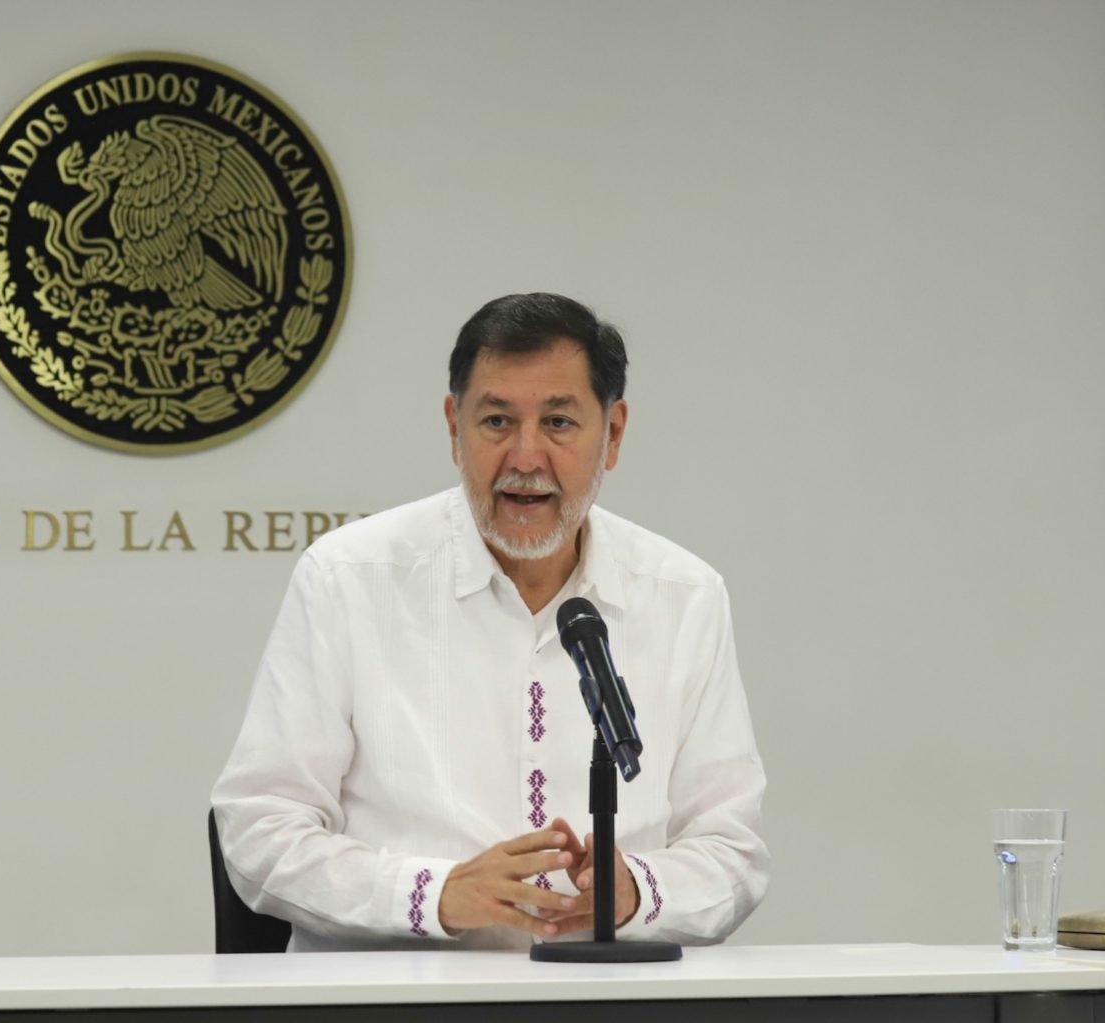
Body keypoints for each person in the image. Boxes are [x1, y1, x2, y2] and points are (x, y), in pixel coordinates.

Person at [211, 293, 768, 951]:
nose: (526, 458)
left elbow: (732, 852)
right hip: (396, 995)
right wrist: (432, 893)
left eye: (559, 422)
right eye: (497, 421)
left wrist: (637, 892)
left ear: (613, 433)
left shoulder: (685, 596)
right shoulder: (348, 579)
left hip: (604, 996)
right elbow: (260, 829)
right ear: (455, 428)